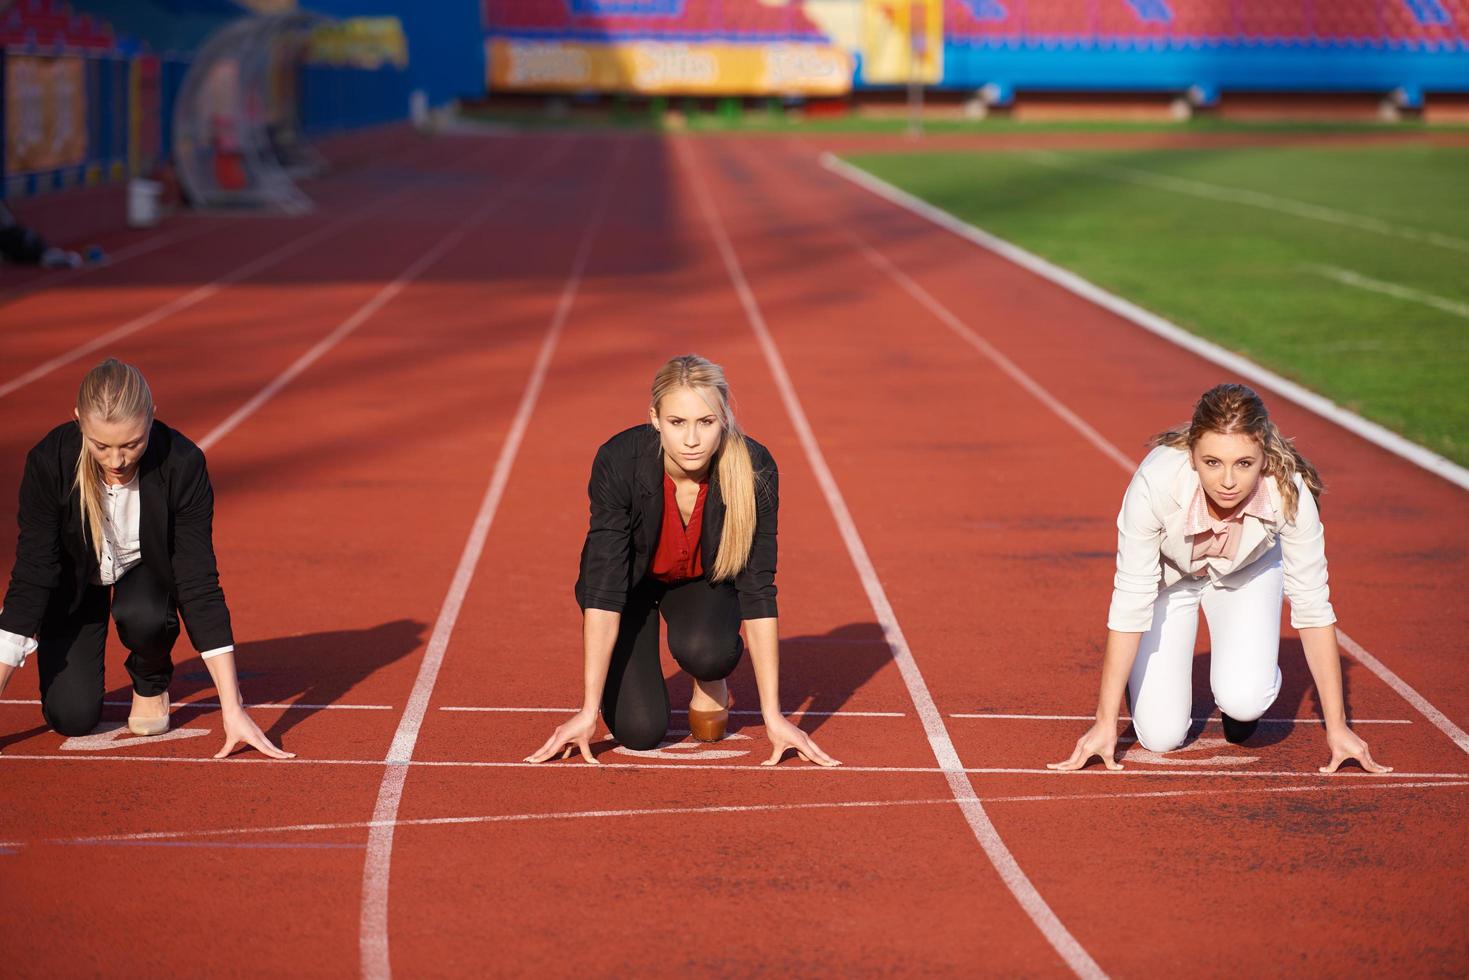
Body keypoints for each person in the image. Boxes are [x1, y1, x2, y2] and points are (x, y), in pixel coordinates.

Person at [1050, 383, 1389, 774]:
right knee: (1160, 737)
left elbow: (1312, 607)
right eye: (1212, 462)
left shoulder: (1289, 491)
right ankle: (1142, 682)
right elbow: (1131, 601)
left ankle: (1246, 688)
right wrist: (1105, 722)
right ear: (1192, 455)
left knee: (1246, 700)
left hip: (1246, 575)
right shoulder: (1154, 485)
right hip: (1172, 580)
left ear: (1264, 456)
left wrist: (1338, 727)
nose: (1227, 480)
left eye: (1244, 463)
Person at [526, 355, 839, 767]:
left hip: (700, 583)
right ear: (655, 419)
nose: (691, 439)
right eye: (677, 423)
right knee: (639, 733)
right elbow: (604, 586)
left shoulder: (754, 467)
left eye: (705, 422)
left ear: (724, 419)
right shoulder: (619, 461)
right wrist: (587, 711)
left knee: (708, 651)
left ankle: (710, 678)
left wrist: (773, 715)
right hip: (631, 589)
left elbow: (758, 588)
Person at [0, 358, 291, 759]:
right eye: (102, 445)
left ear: (152, 419)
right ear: (79, 421)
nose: (117, 461)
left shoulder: (182, 465)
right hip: (76, 583)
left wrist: (233, 707)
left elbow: (198, 582)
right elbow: (32, 577)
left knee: (143, 614)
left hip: (145, 575)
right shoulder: (49, 463)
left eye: (131, 444)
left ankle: (151, 681)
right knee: (71, 717)